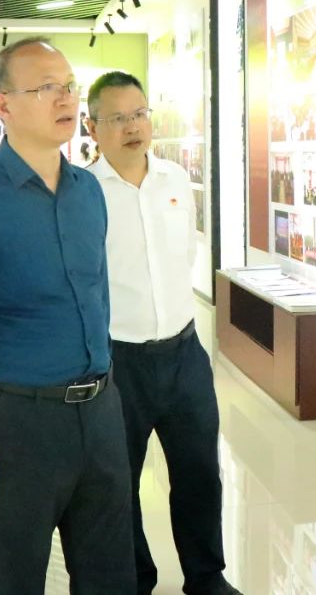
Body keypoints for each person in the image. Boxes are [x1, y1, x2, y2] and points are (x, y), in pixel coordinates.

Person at [0, 38, 133, 594]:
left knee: (111, 576)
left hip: (100, 414)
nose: (65, 98)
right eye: (47, 88)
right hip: (21, 424)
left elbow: (98, 298)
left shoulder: (88, 192)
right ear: (4, 106)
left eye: (69, 86)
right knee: (20, 578)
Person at [86, 71, 241, 595]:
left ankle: (206, 576)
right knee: (119, 480)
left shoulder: (176, 180)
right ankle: (135, 578)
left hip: (184, 352)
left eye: (139, 114)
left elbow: (185, 256)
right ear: (93, 127)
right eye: (118, 118)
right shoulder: (84, 193)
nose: (133, 127)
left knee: (200, 473)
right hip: (118, 360)